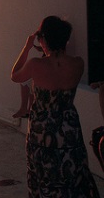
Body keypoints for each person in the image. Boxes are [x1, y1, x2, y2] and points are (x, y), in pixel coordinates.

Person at [11, 16, 99, 196]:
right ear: (66, 39)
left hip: (42, 133)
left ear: (43, 39)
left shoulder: (35, 65)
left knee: (44, 178)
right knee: (73, 176)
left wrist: (27, 47)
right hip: (69, 129)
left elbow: (15, 75)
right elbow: (58, 64)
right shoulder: (78, 64)